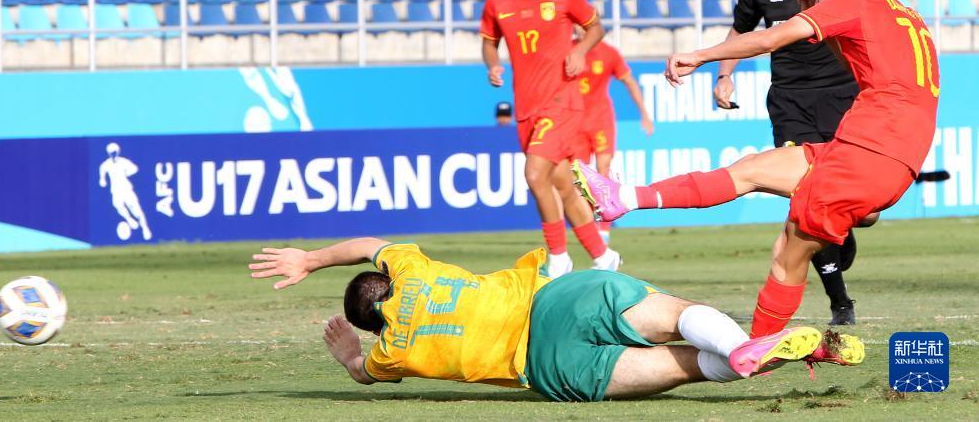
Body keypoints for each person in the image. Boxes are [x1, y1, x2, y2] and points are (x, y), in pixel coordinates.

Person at [574, 0, 939, 340]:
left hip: (869, 152)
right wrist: (819, 16)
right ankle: (625, 197)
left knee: (787, 255)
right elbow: (860, 63)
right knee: (749, 170)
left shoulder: (854, 1)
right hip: (880, 152)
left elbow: (769, 40)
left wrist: (701, 56)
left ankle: (755, 354)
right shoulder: (903, 13)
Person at [248, 238, 862, 402]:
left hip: (548, 366)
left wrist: (348, 357)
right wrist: (311, 259)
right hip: (555, 299)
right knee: (678, 315)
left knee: (687, 368)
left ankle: (763, 356)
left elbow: (363, 373)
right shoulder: (412, 270)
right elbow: (367, 245)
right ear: (387, 280)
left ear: (373, 325)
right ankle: (755, 345)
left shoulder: (391, 353)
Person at [714, 0, 863, 325]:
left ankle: (843, 231)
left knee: (856, 206)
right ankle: (840, 302)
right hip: (790, 103)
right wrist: (724, 75)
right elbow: (740, 32)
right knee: (807, 194)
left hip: (843, 98)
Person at [480, 0, 619, 276]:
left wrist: (581, 50)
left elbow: (596, 27)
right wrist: (492, 64)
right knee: (562, 184)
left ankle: (558, 257)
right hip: (526, 108)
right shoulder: (498, 0)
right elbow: (489, 41)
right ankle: (603, 255)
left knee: (533, 172)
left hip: (562, 102)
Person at [574, 34, 655, 243]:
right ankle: (590, 224)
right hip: (574, 123)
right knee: (578, 176)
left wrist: (644, 113)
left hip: (600, 121)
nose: (579, 30)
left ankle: (603, 229)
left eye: (583, 25)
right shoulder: (567, 50)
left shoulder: (608, 53)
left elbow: (629, 81)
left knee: (603, 170)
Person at [98, 142, 152, 241]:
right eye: (111, 153)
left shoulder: (124, 162)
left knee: (136, 210)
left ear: (118, 152)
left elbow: (135, 168)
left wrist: (127, 173)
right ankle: (129, 219)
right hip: (116, 191)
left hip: (126, 189)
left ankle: (145, 228)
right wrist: (103, 181)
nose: (113, 155)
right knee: (118, 206)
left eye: (114, 152)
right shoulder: (105, 165)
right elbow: (102, 178)